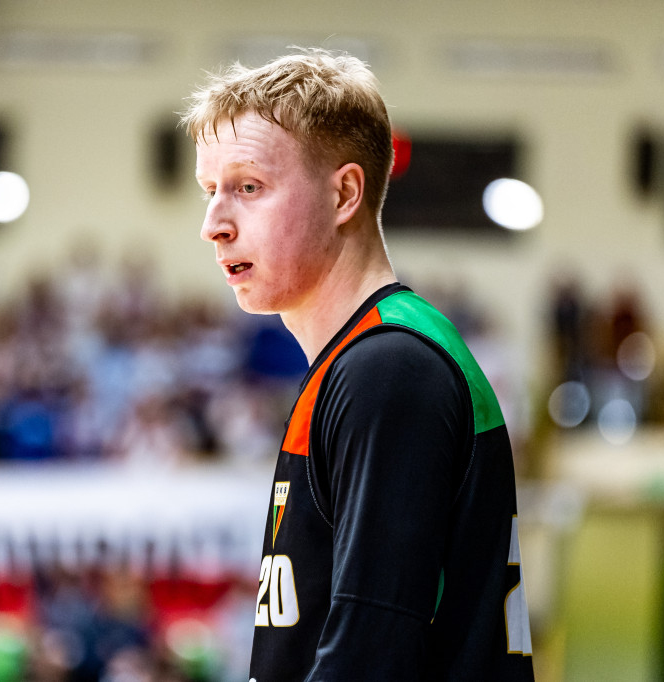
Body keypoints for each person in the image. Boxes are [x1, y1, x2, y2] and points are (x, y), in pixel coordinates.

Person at [182, 49, 534, 681]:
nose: (214, 224)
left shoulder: (388, 369)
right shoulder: (368, 359)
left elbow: (370, 659)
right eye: (211, 191)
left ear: (344, 193)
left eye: (248, 187)